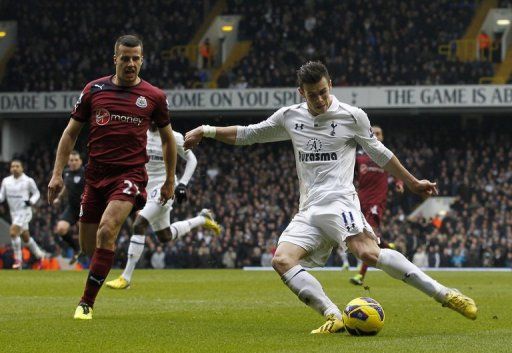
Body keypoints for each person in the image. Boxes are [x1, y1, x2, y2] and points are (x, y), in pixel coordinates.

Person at [184, 61, 477, 333]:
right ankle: (333, 314)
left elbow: (380, 154)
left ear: (331, 85)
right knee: (282, 260)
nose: (320, 100)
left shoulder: (352, 116)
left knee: (368, 253)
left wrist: (412, 182)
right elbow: (249, 134)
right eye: (313, 95)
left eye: (323, 92)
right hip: (309, 209)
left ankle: (446, 294)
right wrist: (206, 130)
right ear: (302, 93)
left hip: (340, 202)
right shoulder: (290, 116)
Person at [48, 34, 177, 320]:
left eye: (136, 58)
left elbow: (168, 140)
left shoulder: (154, 97)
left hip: (129, 175)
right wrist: (57, 174)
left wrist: (169, 180)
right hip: (95, 177)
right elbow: (70, 133)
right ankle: (100, 264)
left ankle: (85, 303)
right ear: (115, 59)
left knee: (108, 230)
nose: (131, 64)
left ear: (142, 60)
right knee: (87, 246)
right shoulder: (94, 90)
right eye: (125, 58)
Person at [105, 126, 221, 289]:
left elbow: (192, 159)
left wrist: (182, 184)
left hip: (164, 188)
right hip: (144, 188)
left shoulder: (173, 136)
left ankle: (126, 277)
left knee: (139, 224)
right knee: (165, 236)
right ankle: (202, 218)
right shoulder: (139, 134)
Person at [349, 125, 404, 285]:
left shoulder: (386, 156)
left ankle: (360, 275)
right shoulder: (359, 157)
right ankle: (388, 246)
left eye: (379, 133)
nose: (376, 135)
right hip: (360, 202)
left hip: (376, 202)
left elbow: (397, 171)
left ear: (383, 137)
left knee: (369, 235)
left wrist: (399, 183)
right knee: (363, 236)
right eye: (373, 133)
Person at [0, 159, 46, 269]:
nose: (14, 168)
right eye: (13, 166)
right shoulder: (6, 181)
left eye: (17, 166)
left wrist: (31, 201)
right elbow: (1, 196)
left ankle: (18, 261)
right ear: (10, 168)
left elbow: (36, 193)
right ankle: (40, 255)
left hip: (25, 212)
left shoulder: (28, 181)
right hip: (14, 213)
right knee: (26, 238)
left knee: (13, 232)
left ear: (22, 168)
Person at [52, 151, 85, 264]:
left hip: (85, 208)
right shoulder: (66, 173)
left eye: (76, 160)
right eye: (71, 160)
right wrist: (59, 198)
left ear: (80, 161)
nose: (74, 162)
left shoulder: (86, 173)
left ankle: (90, 255)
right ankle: (76, 249)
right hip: (72, 208)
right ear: (68, 162)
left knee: (84, 231)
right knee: (61, 228)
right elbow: (66, 187)